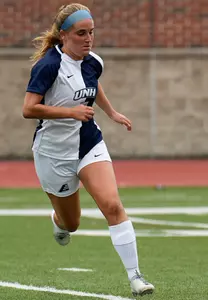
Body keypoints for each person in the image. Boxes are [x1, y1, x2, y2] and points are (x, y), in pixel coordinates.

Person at [22, 3, 155, 296]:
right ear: (64, 36)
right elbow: (28, 109)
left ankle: (136, 277)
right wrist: (70, 112)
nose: (88, 39)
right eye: (81, 33)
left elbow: (94, 87)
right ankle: (58, 220)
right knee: (72, 223)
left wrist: (112, 113)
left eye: (91, 33)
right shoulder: (47, 66)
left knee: (112, 205)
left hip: (88, 143)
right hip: (53, 153)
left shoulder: (93, 61)